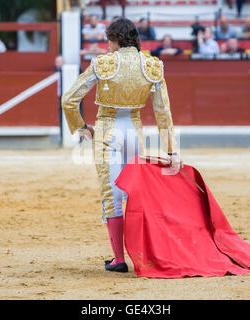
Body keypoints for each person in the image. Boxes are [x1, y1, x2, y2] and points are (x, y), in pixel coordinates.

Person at [61, 18, 181, 273]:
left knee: (112, 195)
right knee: (135, 194)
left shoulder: (104, 63)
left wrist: (82, 128)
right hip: (134, 135)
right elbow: (163, 112)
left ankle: (118, 259)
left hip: (108, 132)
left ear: (115, 39)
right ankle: (144, 255)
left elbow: (69, 100)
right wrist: (171, 150)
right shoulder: (152, 65)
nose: (108, 45)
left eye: (109, 40)